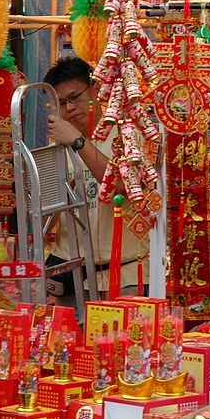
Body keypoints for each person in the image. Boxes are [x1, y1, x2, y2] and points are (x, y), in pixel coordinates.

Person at [44, 56, 150, 303]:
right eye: (61, 103)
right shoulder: (56, 145)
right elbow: (44, 223)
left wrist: (78, 141)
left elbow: (124, 186)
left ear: (95, 88)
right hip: (71, 279)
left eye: (74, 97)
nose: (69, 108)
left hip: (124, 277)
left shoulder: (127, 132)